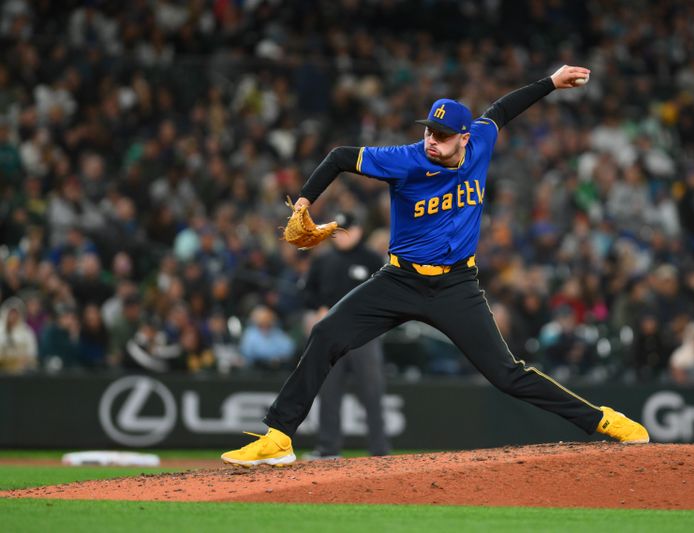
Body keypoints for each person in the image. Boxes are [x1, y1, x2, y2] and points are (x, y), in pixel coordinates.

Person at [222, 65, 649, 467]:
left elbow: (502, 109)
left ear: (464, 138)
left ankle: (602, 421)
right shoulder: (406, 159)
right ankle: (279, 437)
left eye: (443, 135)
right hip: (399, 279)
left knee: (507, 375)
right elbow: (338, 157)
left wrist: (551, 83)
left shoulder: (480, 140)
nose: (432, 140)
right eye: (429, 130)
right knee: (326, 333)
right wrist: (303, 201)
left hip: (456, 286)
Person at [303, 212, 390, 458]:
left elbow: (386, 294)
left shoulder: (372, 259)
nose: (340, 236)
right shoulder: (323, 260)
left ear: (359, 230)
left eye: (346, 230)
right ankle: (328, 448)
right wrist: (317, 306)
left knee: (372, 392)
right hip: (331, 336)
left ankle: (379, 451)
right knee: (328, 392)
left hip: (363, 336)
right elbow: (307, 292)